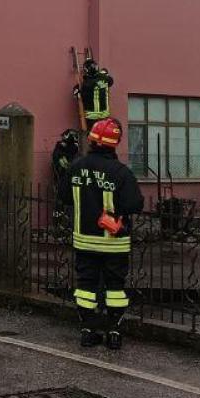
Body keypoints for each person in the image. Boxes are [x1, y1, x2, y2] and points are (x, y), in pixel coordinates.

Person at [58, 117, 143, 350]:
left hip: (84, 240)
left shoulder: (76, 166)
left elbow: (64, 196)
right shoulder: (120, 172)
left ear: (93, 140)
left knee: (86, 285)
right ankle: (114, 331)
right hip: (114, 243)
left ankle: (88, 330)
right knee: (115, 287)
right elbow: (135, 204)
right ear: (115, 143)